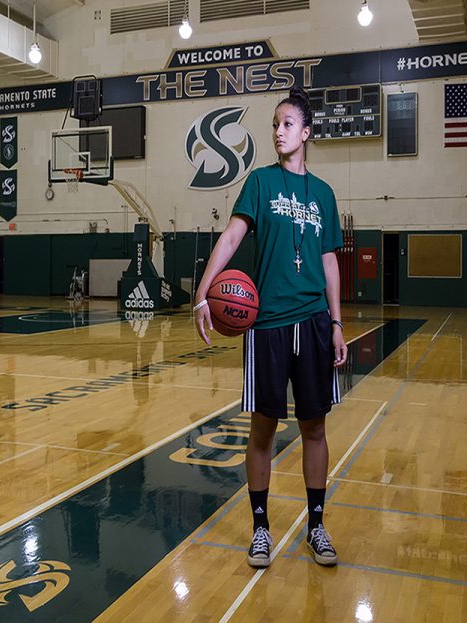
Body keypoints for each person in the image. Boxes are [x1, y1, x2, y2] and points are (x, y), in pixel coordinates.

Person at [193, 87, 347, 568]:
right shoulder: (259, 183)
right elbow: (232, 235)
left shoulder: (322, 193)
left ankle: (316, 526)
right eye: (274, 125)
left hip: (315, 322)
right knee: (261, 429)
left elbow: (329, 262)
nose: (278, 132)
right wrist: (204, 290)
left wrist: (338, 322)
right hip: (268, 325)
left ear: (305, 132)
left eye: (286, 124)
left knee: (314, 427)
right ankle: (260, 529)